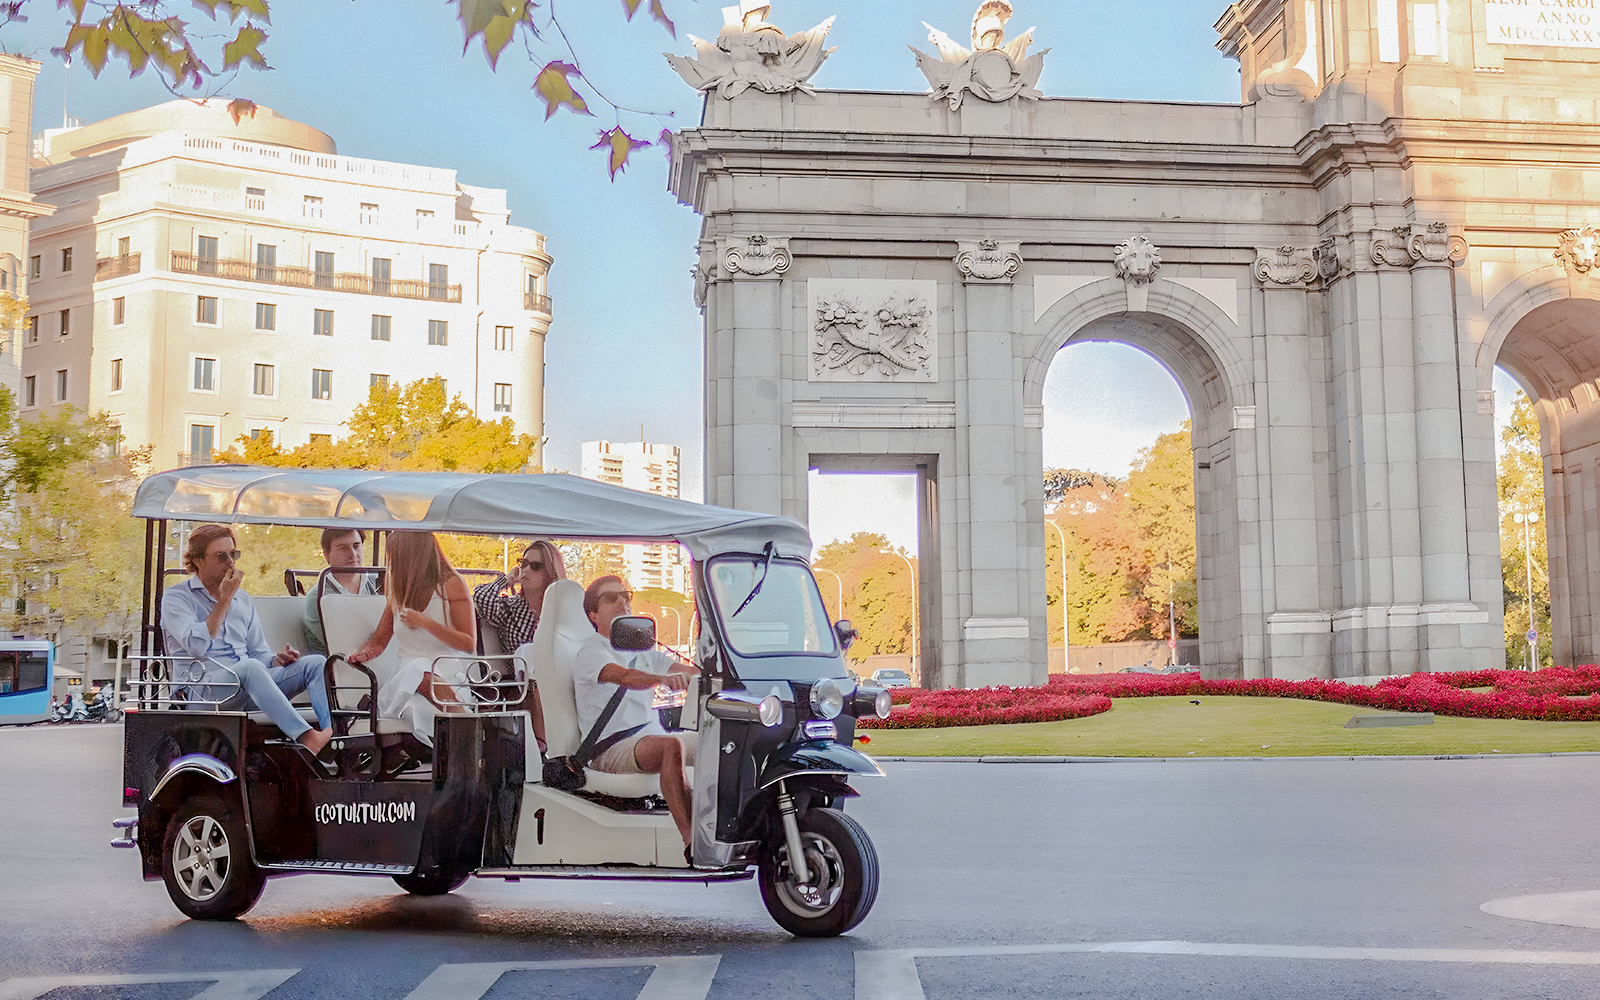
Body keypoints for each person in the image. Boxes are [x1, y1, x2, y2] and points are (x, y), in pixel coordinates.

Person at [161, 523, 333, 753]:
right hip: (204, 690)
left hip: (247, 685)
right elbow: (197, 646)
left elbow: (258, 653)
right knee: (248, 667)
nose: (231, 562)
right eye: (222, 556)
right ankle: (306, 737)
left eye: (234, 554)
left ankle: (334, 736)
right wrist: (225, 599)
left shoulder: (243, 600)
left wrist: (276, 660)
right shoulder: (176, 598)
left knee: (316, 663)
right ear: (198, 560)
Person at [573, 575, 696, 850]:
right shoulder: (591, 651)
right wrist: (660, 679)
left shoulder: (644, 649)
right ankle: (692, 841)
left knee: (715, 740)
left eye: (624, 595)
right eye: (610, 597)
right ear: (593, 614)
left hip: (645, 738)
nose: (621, 601)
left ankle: (721, 826)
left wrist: (720, 675)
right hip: (609, 749)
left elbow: (687, 671)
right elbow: (625, 677)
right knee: (672, 746)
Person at [348, 531, 476, 746]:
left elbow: (468, 644)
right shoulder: (397, 588)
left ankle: (463, 731)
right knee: (417, 670)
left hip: (450, 679)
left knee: (420, 698)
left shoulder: (452, 584)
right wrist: (364, 654)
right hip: (408, 682)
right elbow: (380, 640)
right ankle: (469, 730)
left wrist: (426, 622)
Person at [473, 539, 565, 747]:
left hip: (561, 679)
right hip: (523, 684)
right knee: (528, 654)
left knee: (534, 656)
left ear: (550, 572)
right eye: (523, 563)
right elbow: (481, 597)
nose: (527, 570)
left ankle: (545, 743)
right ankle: (542, 743)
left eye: (536, 566)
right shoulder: (512, 607)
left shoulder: (562, 607)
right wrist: (505, 580)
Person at [303, 527, 379, 654]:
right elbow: (344, 645)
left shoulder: (373, 585)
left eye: (356, 546)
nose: (353, 554)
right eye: (342, 548)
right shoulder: (318, 597)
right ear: (326, 555)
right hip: (335, 667)